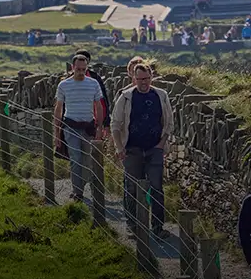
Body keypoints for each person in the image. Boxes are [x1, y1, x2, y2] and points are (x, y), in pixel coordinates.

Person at [112, 62, 174, 236]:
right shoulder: (125, 97)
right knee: (131, 187)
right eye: (140, 79)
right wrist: (119, 147)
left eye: (146, 78)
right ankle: (133, 225)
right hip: (132, 149)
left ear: (151, 77)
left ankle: (157, 227)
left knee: (156, 188)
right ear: (134, 79)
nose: (143, 83)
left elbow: (169, 123)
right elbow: (115, 124)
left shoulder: (161, 96)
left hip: (154, 148)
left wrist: (161, 145)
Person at [54, 53, 104, 202]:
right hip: (70, 126)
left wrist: (99, 128)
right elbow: (58, 109)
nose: (81, 72)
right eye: (78, 69)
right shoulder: (64, 85)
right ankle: (78, 192)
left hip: (88, 126)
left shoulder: (93, 83)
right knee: (75, 158)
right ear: (72, 68)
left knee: (87, 160)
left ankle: (81, 187)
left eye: (84, 69)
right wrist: (57, 133)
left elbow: (98, 106)